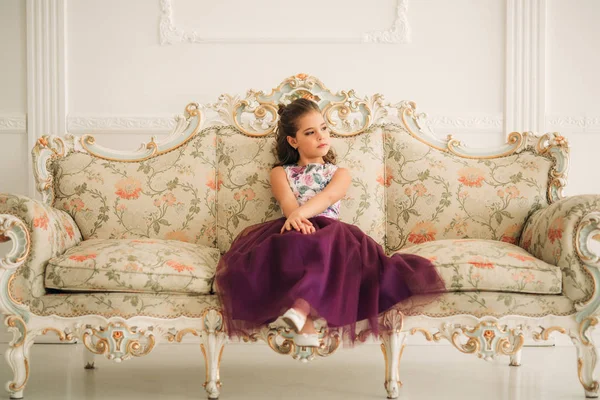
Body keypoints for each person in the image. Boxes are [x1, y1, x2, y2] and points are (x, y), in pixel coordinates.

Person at [214, 98, 446, 347]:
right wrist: (296, 219)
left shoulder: (339, 173)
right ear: (294, 141)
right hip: (294, 227)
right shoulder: (280, 172)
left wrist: (301, 216)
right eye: (310, 132)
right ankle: (305, 324)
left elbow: (328, 197)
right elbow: (286, 200)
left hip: (330, 230)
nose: (321, 136)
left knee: (328, 246)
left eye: (323, 128)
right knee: (290, 248)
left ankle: (301, 313)